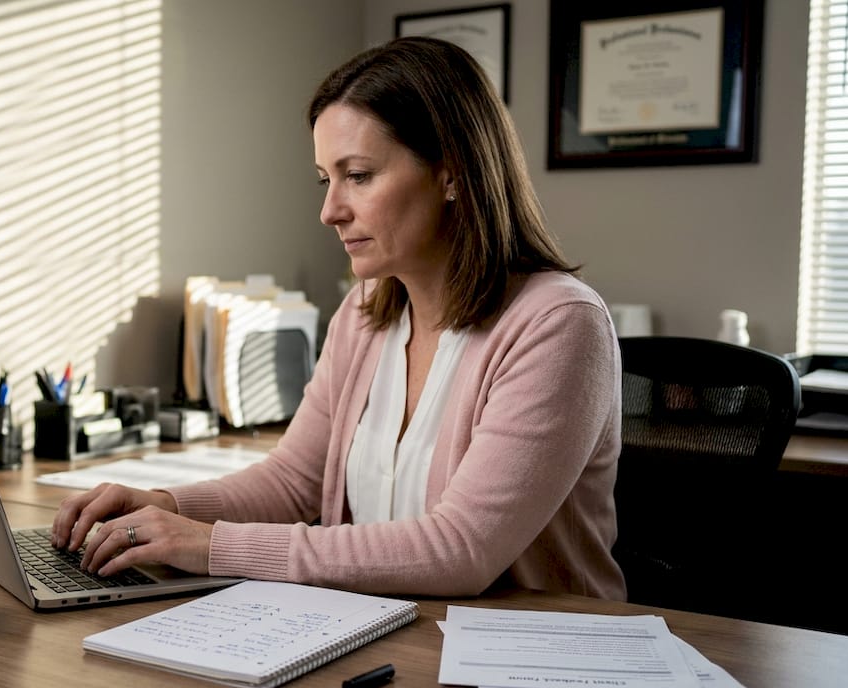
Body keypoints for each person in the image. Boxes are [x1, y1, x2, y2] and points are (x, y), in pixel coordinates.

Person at [50, 36, 626, 600]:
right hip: (393, 636)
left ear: (452, 173)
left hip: (533, 664)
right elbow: (294, 482)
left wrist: (210, 545)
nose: (329, 211)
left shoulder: (558, 324)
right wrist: (166, 506)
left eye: (358, 175)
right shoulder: (365, 311)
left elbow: (461, 550)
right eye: (326, 179)